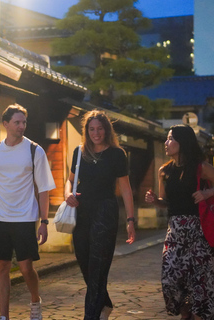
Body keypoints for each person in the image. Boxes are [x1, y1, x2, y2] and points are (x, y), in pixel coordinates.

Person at [145, 125, 214, 320]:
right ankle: (187, 314)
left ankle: (196, 315)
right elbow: (165, 203)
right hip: (175, 234)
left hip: (198, 233)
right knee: (171, 281)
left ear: (182, 142)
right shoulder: (164, 171)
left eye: (170, 139)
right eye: (166, 139)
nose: (166, 143)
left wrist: (207, 193)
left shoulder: (199, 167)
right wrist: (154, 201)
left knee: (201, 283)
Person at [0, 104, 56, 320]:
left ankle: (35, 300)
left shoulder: (34, 150)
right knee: (1, 267)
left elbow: (43, 189)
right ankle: (4, 316)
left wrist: (44, 221)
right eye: (17, 122)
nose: (22, 126)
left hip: (24, 218)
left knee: (25, 268)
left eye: (24, 122)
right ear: (6, 124)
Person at [64, 110, 136, 320]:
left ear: (107, 129)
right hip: (82, 210)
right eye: (91, 129)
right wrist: (68, 193)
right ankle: (105, 304)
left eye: (100, 128)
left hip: (105, 211)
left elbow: (125, 188)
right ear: (86, 131)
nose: (96, 133)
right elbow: (70, 180)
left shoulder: (116, 154)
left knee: (98, 265)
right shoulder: (80, 152)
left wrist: (130, 220)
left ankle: (91, 316)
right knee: (85, 262)